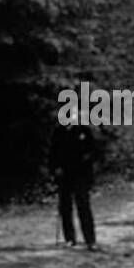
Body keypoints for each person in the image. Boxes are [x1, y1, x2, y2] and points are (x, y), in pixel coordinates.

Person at [49, 96, 99, 250]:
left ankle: (90, 239)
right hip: (65, 175)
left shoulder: (84, 130)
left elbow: (95, 151)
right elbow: (52, 154)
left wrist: (87, 162)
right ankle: (70, 238)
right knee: (65, 207)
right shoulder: (58, 132)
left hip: (81, 175)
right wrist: (55, 168)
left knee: (83, 206)